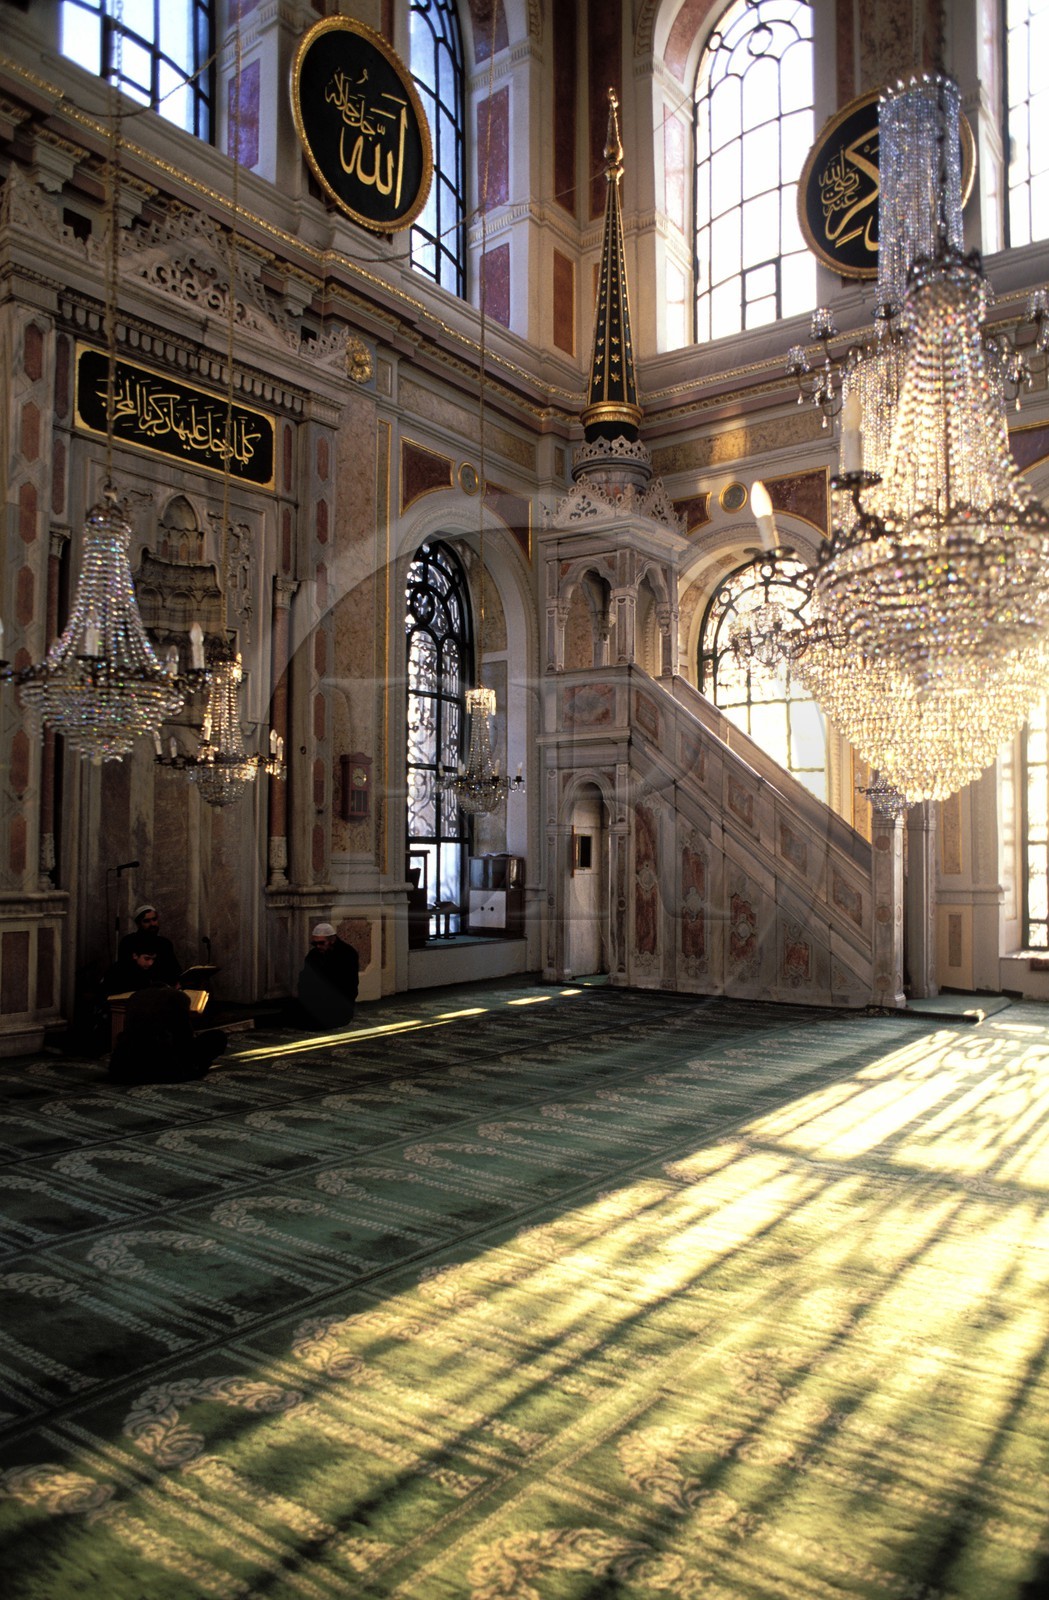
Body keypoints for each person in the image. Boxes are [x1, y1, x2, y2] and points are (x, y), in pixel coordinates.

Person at [108, 982, 227, 1086]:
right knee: (217, 1037)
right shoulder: (178, 996)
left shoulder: (135, 996)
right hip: (163, 1067)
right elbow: (183, 1037)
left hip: (124, 1066)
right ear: (176, 985)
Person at [296, 922, 359, 1029]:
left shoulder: (348, 954)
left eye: (321, 943)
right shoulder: (314, 955)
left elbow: (348, 985)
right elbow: (304, 979)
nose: (318, 946)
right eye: (315, 944)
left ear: (332, 940)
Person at [117, 905, 182, 987]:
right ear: (138, 924)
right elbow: (124, 971)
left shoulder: (165, 944)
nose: (152, 924)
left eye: (154, 919)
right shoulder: (128, 942)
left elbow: (175, 970)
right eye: (146, 921)